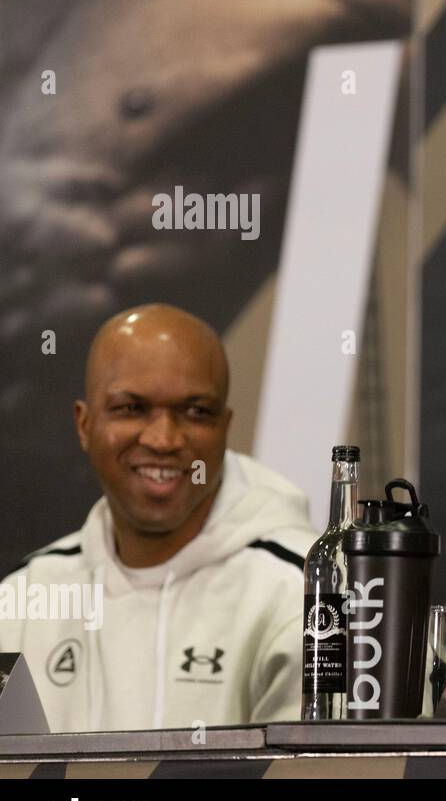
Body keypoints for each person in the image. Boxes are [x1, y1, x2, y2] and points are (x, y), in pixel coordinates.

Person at [0, 305, 314, 732]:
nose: (163, 439)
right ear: (84, 424)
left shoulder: (308, 595)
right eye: (132, 408)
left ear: (225, 426)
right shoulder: (23, 599)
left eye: (196, 411)